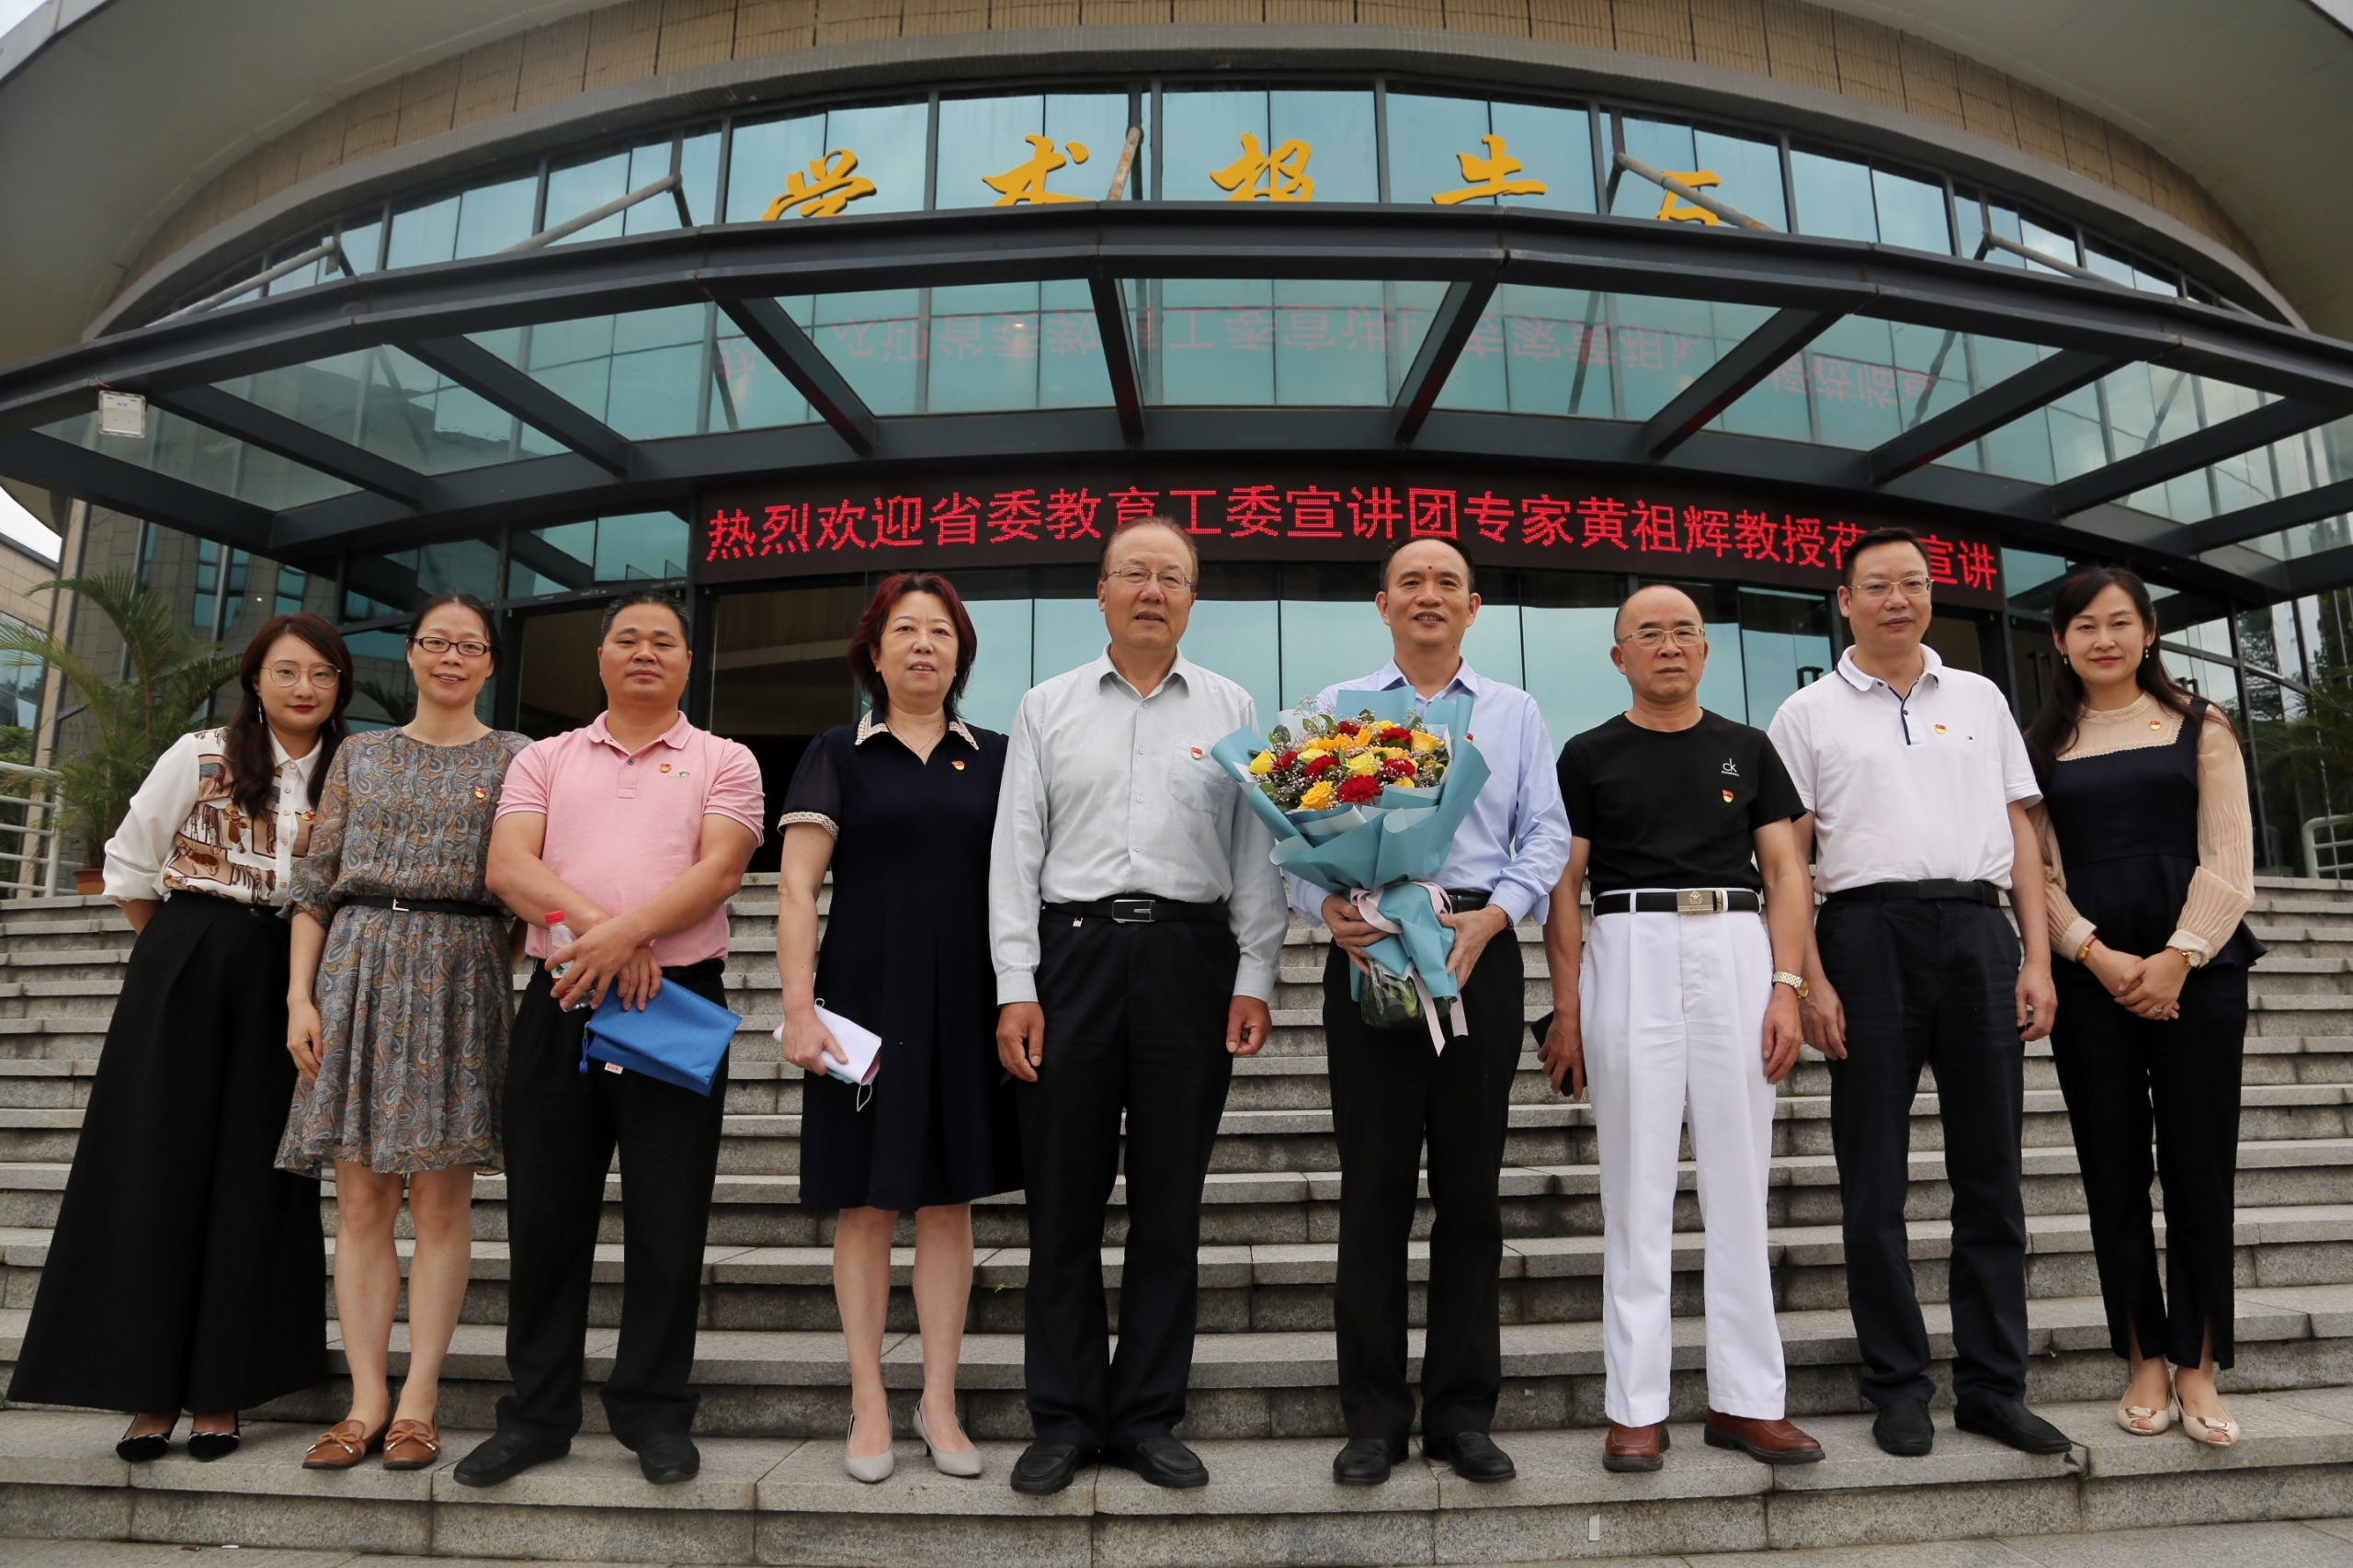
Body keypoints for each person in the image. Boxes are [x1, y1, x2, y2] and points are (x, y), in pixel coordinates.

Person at [990, 517, 1286, 1496]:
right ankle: (1065, 1417)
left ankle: (1149, 1414)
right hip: (1071, 958)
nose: (1153, 591)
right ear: (1102, 592)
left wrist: (1254, 973)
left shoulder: (1233, 705)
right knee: (1061, 1202)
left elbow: (1255, 850)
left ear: (1193, 598)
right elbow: (1014, 853)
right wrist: (1017, 985)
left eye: (1172, 577)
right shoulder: (1046, 706)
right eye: (1134, 573)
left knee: (1169, 1204)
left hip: (1189, 961)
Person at [8, 614, 351, 1460]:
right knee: (153, 1166)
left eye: (322, 674)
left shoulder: (352, 770)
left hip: (294, 974)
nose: (304, 688)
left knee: (258, 1175)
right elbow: (130, 866)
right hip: (189, 953)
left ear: (340, 687)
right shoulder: (203, 754)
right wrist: (183, 953)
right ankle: (147, 1391)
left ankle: (223, 1391)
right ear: (255, 679)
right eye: (287, 671)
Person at [1767, 527, 2068, 1460]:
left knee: (1992, 1176)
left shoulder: (1979, 696)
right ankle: (1897, 1384)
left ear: (1930, 595)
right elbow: (1788, 859)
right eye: (1877, 585)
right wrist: (1809, 977)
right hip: (1864, 937)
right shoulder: (1805, 712)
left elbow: (2022, 835)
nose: (1897, 599)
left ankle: (1992, 1387)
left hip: (1978, 933)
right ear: (1844, 600)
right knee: (1872, 1181)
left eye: (1913, 583)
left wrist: (2036, 957)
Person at [460, 590, 765, 1488]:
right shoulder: (545, 757)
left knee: (669, 1216)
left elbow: (721, 869)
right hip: (563, 994)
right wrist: (609, 937)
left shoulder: (725, 758)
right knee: (544, 1217)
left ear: (687, 662)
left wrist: (626, 938)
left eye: (663, 641)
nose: (644, 652)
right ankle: (537, 1414)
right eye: (626, 638)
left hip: (671, 1000)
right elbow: (508, 865)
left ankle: (653, 1411)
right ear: (600, 657)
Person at [1298, 536, 1571, 1488]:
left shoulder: (1514, 710)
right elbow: (1295, 832)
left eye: (1446, 582)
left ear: (1472, 605)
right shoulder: (1339, 706)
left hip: (1474, 952)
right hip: (1373, 953)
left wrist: (1498, 915)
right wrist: (1323, 908)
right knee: (1371, 1191)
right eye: (1409, 581)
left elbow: (1545, 832)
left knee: (1470, 1194)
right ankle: (1373, 1418)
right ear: (1382, 603)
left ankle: (1461, 1415)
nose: (1428, 594)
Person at [1539, 585, 1822, 1473]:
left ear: (1705, 650)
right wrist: (1568, 1008)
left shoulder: (1749, 747)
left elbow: (1786, 872)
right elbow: (1564, 886)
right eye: (1648, 633)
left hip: (1736, 947)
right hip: (1629, 947)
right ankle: (1636, 1410)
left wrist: (1787, 987)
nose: (1668, 646)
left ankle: (1749, 1402)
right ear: (1619, 655)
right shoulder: (1588, 754)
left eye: (1684, 632)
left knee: (1740, 1185)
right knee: (1636, 1190)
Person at [279, 591, 529, 1471]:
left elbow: (525, 883)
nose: (451, 658)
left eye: (470, 646)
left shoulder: (518, 757)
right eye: (436, 642)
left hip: (461, 977)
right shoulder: (361, 754)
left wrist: (491, 968)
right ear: (413, 653)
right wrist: (300, 998)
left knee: (441, 1202)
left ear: (490, 662)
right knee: (361, 1201)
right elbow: (315, 885)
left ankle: (419, 1399)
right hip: (357, 972)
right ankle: (365, 1402)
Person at [776, 572, 1017, 1483]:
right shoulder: (836, 752)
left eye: (941, 632)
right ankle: (870, 1397)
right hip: (861, 1002)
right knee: (867, 1200)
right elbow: (795, 888)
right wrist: (798, 1009)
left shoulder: (997, 757)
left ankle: (939, 1400)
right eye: (906, 630)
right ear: (873, 652)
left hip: (967, 999)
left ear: (960, 656)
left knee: (949, 1199)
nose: (924, 645)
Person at [2025, 566, 2260, 1447]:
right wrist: (2096, 952)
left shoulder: (2202, 725)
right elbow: (2033, 872)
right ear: (2059, 641)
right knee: (2112, 1174)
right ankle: (2144, 1359)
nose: (2104, 639)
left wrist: (2176, 958)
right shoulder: (2039, 745)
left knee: (2200, 1170)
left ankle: (2197, 1365)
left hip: (2199, 976)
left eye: (2120, 622)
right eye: (2084, 626)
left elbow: (2229, 856)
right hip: (2094, 980)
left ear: (2149, 631)